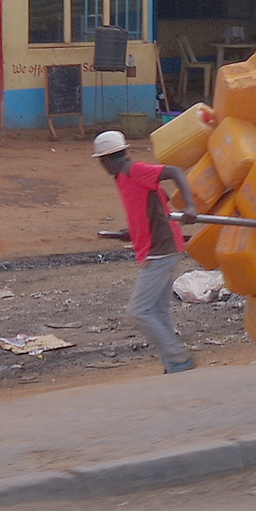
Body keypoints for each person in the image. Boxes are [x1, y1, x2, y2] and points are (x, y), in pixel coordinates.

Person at [92, 130, 200, 374]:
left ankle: (178, 357)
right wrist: (130, 232)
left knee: (139, 311)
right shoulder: (122, 178)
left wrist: (190, 206)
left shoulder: (135, 170)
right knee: (158, 311)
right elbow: (149, 208)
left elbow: (174, 171)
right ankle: (172, 365)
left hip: (160, 250)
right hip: (159, 248)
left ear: (105, 159)